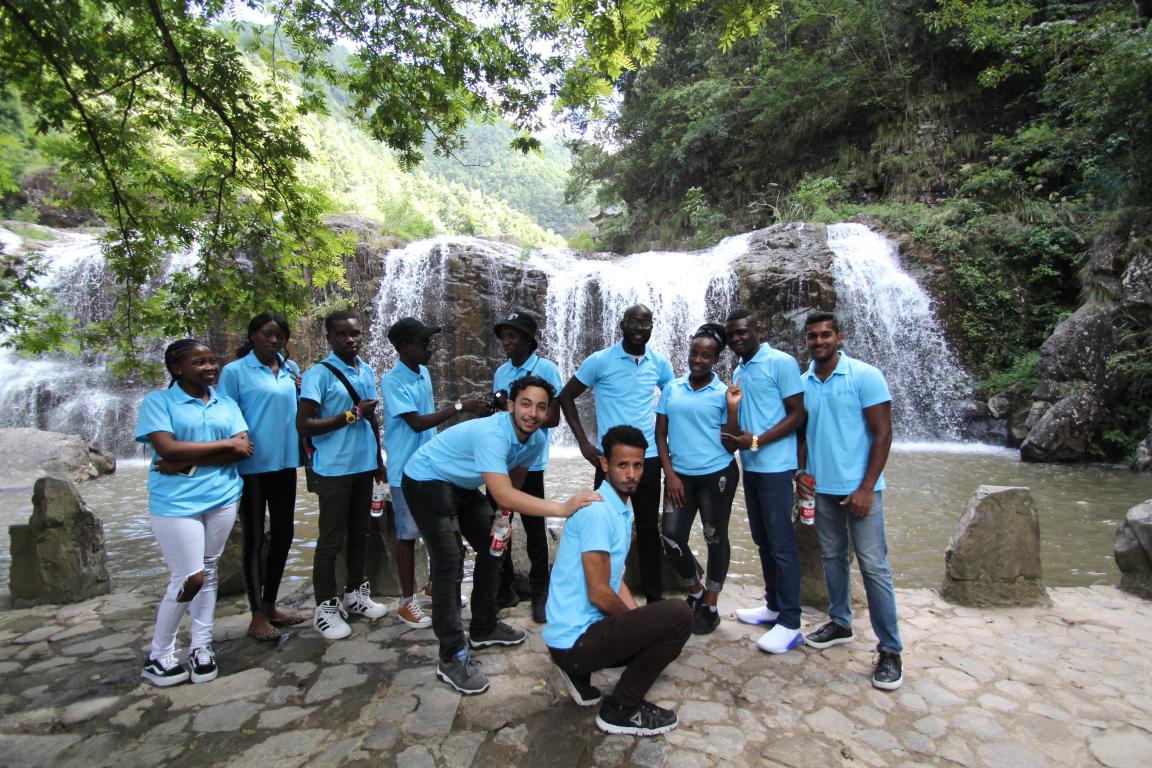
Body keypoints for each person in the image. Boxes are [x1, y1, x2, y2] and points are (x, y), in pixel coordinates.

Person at [402, 375, 601, 695]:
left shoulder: (536, 439)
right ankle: (451, 656)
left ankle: (483, 626)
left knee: (495, 544)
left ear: (548, 412)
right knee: (449, 560)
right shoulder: (493, 434)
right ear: (510, 405)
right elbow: (503, 492)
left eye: (541, 407)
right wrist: (563, 508)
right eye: (525, 404)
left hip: (462, 484)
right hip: (426, 479)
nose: (532, 413)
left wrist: (502, 517)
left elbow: (517, 474)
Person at [544, 425, 692, 736]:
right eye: (622, 465)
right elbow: (600, 593)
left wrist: (639, 622)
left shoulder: (617, 508)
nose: (631, 474)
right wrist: (639, 627)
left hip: (574, 638)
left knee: (653, 623)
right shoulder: (599, 512)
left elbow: (615, 580)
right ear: (604, 464)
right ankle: (622, 709)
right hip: (575, 642)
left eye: (637, 465)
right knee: (679, 615)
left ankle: (578, 675)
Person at [797, 311, 904, 690]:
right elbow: (803, 435)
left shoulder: (865, 376)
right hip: (821, 489)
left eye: (825, 335)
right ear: (806, 340)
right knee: (832, 557)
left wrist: (866, 487)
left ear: (838, 337)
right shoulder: (804, 382)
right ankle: (840, 622)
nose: (819, 341)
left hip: (861, 490)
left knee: (874, 568)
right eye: (813, 336)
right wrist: (801, 473)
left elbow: (883, 434)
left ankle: (890, 649)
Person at [137, 339, 252, 686]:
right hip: (175, 504)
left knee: (210, 571)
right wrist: (224, 444)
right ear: (177, 369)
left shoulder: (226, 402)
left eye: (212, 360)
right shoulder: (158, 402)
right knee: (190, 577)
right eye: (199, 362)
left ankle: (201, 647)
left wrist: (185, 461)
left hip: (223, 496)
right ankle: (159, 655)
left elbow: (243, 449)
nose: (210, 367)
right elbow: (166, 448)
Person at [558, 304, 674, 603]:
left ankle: (655, 600)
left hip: (647, 459)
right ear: (622, 324)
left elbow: (673, 399)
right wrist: (583, 442)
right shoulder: (600, 361)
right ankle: (601, 592)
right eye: (634, 322)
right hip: (609, 460)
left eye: (646, 323)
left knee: (648, 529)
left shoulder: (660, 364)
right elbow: (566, 396)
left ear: (652, 327)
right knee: (604, 523)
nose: (640, 328)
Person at [381, 316, 490, 628]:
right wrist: (460, 407)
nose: (430, 348)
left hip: (433, 468)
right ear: (404, 347)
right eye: (423, 343)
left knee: (438, 530)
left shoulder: (424, 373)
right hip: (405, 471)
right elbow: (416, 422)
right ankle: (406, 602)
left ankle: (434, 585)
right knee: (407, 536)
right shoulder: (392, 380)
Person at [297, 310, 389, 641]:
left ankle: (355, 593)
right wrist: (351, 414)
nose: (350, 339)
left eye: (355, 333)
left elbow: (371, 417)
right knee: (330, 539)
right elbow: (304, 424)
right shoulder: (318, 374)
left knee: (361, 533)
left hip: (363, 465)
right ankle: (325, 608)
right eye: (341, 334)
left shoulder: (366, 368)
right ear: (329, 338)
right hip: (334, 468)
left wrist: (378, 459)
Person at [723, 308, 807, 654]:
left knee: (782, 544)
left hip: (776, 467)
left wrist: (758, 440)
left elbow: (798, 414)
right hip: (752, 467)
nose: (736, 339)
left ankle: (791, 623)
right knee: (762, 539)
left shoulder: (781, 363)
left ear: (758, 328)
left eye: (742, 332)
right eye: (731, 335)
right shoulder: (739, 370)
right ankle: (773, 606)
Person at [218, 312, 305, 643]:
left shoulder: (290, 369)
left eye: (279, 335)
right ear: (253, 335)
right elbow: (225, 413)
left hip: (285, 462)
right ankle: (256, 615)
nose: (274, 339)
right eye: (267, 333)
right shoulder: (235, 371)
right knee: (254, 538)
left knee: (284, 533)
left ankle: (270, 605)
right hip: (251, 465)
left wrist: (301, 390)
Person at [654, 323, 740, 634]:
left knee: (715, 537)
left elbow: (731, 443)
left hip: (717, 476)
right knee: (671, 537)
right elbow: (660, 435)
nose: (698, 360)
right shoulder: (672, 388)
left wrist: (732, 408)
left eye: (706, 356)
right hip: (679, 477)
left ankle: (711, 605)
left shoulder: (723, 392)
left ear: (715, 360)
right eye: (694, 353)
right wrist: (670, 474)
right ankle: (696, 591)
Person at [489, 309, 564, 623]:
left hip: (531, 461)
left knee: (535, 530)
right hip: (500, 461)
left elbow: (555, 417)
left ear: (529, 340)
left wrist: (523, 417)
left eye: (513, 336)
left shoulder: (546, 368)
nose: (507, 341)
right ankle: (504, 587)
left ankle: (541, 591)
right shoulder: (501, 372)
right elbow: (498, 415)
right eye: (504, 336)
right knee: (499, 523)